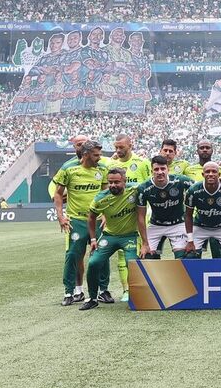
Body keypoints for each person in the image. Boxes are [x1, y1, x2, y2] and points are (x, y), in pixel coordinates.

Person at [53, 140, 109, 306]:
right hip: (76, 220)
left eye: (100, 154)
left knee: (101, 254)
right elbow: (58, 194)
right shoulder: (68, 169)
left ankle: (103, 290)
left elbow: (106, 194)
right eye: (96, 155)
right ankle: (69, 292)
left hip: (97, 219)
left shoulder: (103, 170)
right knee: (73, 255)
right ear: (85, 154)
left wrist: (106, 214)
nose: (100, 158)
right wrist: (61, 216)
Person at [79, 168, 139, 311]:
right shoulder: (101, 198)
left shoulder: (135, 190)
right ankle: (93, 298)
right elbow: (91, 217)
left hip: (129, 236)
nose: (113, 185)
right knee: (93, 263)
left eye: (117, 182)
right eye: (110, 182)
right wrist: (93, 239)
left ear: (125, 181)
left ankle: (137, 298)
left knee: (132, 264)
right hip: (109, 237)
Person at [107, 133, 150, 301]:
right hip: (119, 216)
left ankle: (142, 287)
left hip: (139, 214)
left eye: (121, 147)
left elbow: (148, 187)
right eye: (116, 147)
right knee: (122, 254)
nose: (118, 151)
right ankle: (127, 290)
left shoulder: (142, 163)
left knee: (141, 251)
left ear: (130, 145)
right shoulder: (111, 164)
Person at [135, 156, 194, 259]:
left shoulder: (179, 181)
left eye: (163, 169)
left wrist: (219, 180)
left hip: (177, 224)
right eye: (156, 169)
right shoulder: (144, 188)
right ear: (151, 171)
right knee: (147, 256)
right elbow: (140, 216)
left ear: (168, 169)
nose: (160, 172)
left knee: (184, 257)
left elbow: (201, 186)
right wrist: (144, 243)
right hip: (156, 225)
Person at [184, 162, 221, 258]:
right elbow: (188, 215)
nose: (210, 174)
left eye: (214, 171)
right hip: (200, 227)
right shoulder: (193, 191)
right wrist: (190, 240)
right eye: (207, 172)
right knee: (190, 255)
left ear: (219, 174)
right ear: (202, 174)